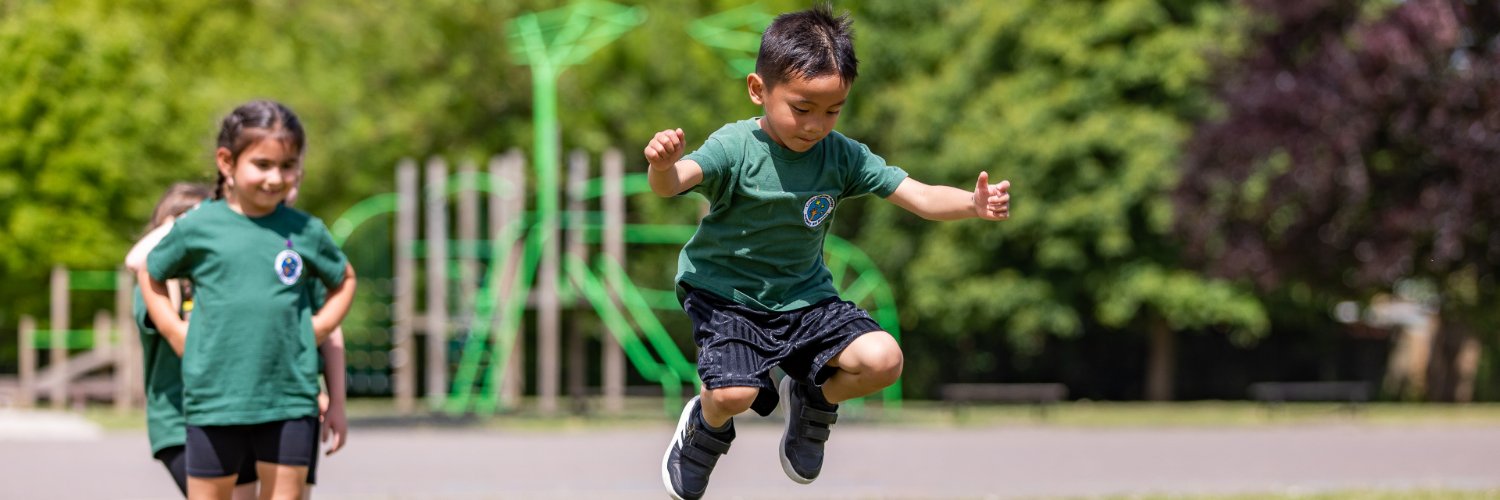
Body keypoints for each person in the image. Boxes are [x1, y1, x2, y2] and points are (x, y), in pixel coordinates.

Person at [644, 4, 1010, 499]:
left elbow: (919, 196)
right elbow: (672, 185)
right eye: (802, 108)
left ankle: (814, 398)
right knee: (734, 394)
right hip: (727, 298)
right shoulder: (736, 146)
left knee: (883, 359)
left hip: (806, 301)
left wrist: (971, 203)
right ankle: (704, 430)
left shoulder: (842, 156)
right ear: (759, 90)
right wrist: (664, 165)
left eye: (832, 110)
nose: (816, 124)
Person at [139, 100, 356, 500]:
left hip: (289, 399)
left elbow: (344, 279)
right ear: (227, 162)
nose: (276, 178)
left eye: (288, 166)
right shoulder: (200, 228)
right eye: (263, 164)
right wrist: (174, 331)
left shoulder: (305, 230)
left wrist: (321, 326)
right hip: (215, 401)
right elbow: (147, 271)